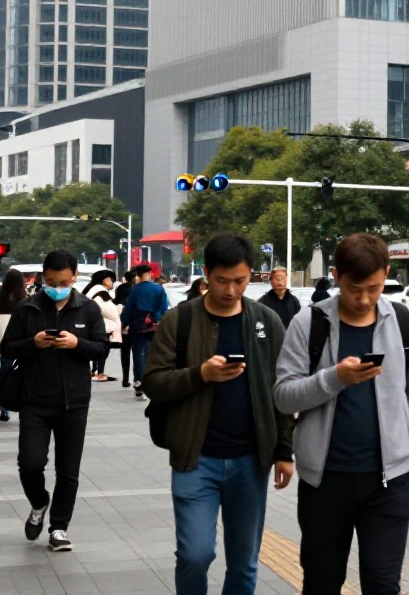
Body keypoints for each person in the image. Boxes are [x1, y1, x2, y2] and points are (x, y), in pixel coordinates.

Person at [273, 234, 409, 595]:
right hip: (324, 482)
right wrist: (334, 378)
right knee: (321, 583)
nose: (365, 299)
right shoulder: (309, 324)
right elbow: (283, 398)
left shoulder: (401, 322)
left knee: (383, 584)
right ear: (336, 277)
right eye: (355, 289)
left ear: (386, 274)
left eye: (375, 288)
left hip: (387, 482)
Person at [144, 234, 295, 595]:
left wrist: (283, 450)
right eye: (222, 280)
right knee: (195, 554)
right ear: (207, 274)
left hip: (250, 460)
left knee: (244, 564)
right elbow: (153, 381)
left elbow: (282, 388)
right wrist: (200, 374)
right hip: (196, 458)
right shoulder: (179, 320)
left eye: (240, 281)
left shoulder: (266, 321)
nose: (230, 290)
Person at [0, 250, 111, 552]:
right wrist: (33, 343)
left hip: (74, 401)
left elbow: (102, 349)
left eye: (62, 281)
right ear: (42, 278)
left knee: (68, 469)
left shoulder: (87, 309)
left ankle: (59, 527)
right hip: (35, 399)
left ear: (74, 278)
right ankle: (39, 503)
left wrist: (77, 344)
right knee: (30, 463)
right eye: (50, 281)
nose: (56, 286)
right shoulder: (28, 307)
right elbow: (7, 347)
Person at [122, 264, 171, 400]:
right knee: (152, 354)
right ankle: (151, 382)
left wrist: (123, 324)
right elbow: (164, 307)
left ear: (138, 275)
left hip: (138, 324)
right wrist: (157, 319)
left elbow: (128, 309)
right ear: (149, 273)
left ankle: (139, 384)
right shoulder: (159, 289)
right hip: (154, 325)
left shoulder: (135, 290)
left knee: (138, 353)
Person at [0, 270, 30, 423]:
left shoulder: (1, 295)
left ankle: (3, 405)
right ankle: (20, 401)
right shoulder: (24, 297)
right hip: (22, 337)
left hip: (3, 334)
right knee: (21, 370)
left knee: (5, 369)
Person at [84, 271, 120, 381]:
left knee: (95, 347)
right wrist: (118, 311)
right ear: (105, 280)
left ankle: (94, 371)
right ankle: (100, 373)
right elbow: (109, 310)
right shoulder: (101, 292)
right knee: (102, 348)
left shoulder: (90, 289)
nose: (112, 283)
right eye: (111, 280)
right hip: (101, 325)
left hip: (90, 324)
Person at [113, 269, 136, 388]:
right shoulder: (135, 290)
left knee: (125, 352)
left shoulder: (120, 288)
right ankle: (138, 378)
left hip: (122, 322)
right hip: (134, 323)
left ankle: (125, 378)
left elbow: (116, 301)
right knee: (138, 352)